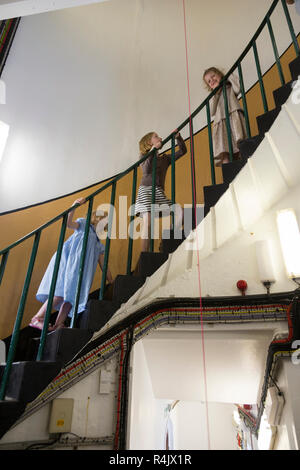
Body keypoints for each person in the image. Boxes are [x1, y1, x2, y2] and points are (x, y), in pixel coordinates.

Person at [29, 198, 113, 331]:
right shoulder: (84, 226)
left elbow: (104, 265)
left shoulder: (98, 244)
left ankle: (58, 325)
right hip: (67, 262)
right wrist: (74, 205)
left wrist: (111, 281)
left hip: (79, 272)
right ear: (96, 220)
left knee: (71, 298)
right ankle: (37, 318)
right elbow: (68, 224)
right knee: (59, 292)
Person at [134, 129, 187, 252]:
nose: (160, 138)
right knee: (147, 223)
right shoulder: (143, 156)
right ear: (149, 142)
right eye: (156, 136)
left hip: (159, 192)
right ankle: (144, 256)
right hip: (146, 191)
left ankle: (167, 237)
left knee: (181, 212)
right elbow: (146, 169)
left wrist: (178, 138)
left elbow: (183, 151)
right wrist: (153, 150)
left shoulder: (165, 159)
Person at [203, 67, 247, 167]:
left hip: (232, 114)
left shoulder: (229, 86)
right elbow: (212, 111)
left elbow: (238, 88)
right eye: (209, 81)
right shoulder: (216, 95)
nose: (212, 80)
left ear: (220, 74)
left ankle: (243, 158)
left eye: (213, 76)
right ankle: (227, 169)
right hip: (220, 120)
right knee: (223, 147)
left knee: (238, 139)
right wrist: (215, 93)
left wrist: (228, 75)